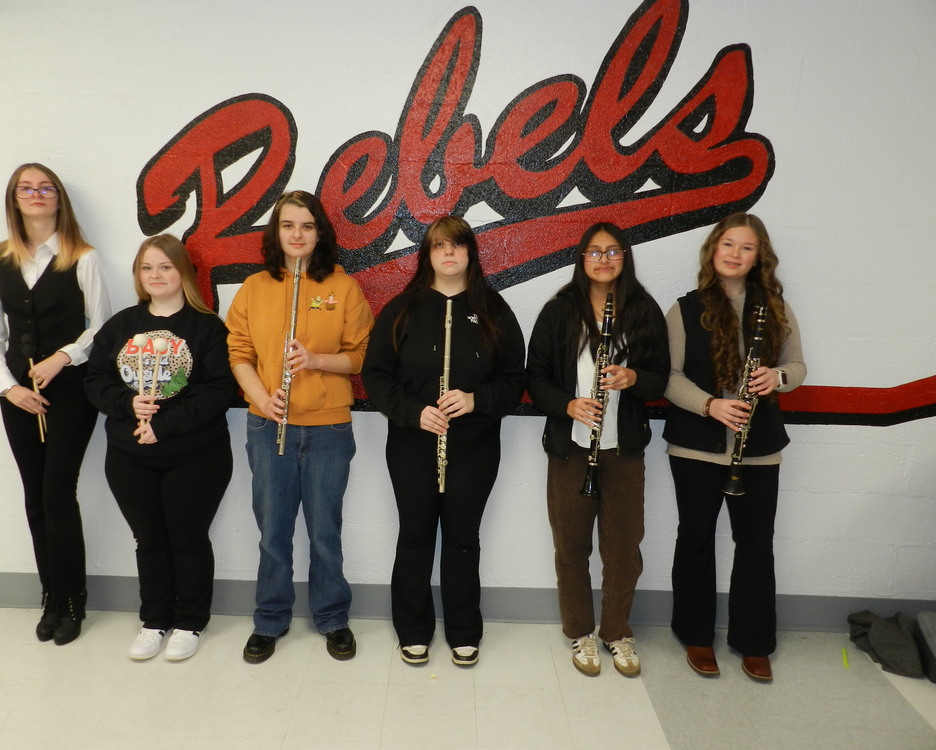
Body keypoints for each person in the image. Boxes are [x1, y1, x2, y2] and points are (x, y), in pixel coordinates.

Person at [362, 216, 526, 667]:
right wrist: (414, 412)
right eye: (439, 246)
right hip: (412, 445)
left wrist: (476, 400)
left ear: (470, 252)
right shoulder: (402, 309)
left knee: (463, 538)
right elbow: (376, 375)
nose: (448, 253)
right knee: (415, 535)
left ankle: (464, 631)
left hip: (475, 447)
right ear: (427, 256)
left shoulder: (493, 309)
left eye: (456, 245)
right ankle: (413, 630)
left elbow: (515, 380)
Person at [226, 190, 373, 663]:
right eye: (288, 225)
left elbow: (360, 356)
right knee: (273, 531)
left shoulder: (343, 287)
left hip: (328, 430)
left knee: (325, 530)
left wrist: (315, 360)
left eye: (307, 226)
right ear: (276, 232)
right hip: (268, 426)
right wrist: (262, 399)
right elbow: (239, 353)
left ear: (319, 233)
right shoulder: (254, 287)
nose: (297, 234)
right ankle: (270, 619)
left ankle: (332, 617)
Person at [663, 212, 805, 682]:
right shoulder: (684, 309)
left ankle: (754, 641)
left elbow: (797, 366)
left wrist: (777, 377)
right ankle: (695, 635)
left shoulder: (776, 309)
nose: (735, 254)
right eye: (728, 244)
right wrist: (711, 406)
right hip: (696, 448)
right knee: (696, 538)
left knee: (756, 544)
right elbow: (669, 377)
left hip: (759, 448)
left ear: (759, 256)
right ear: (713, 249)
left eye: (747, 247)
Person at [0, 163, 111, 645]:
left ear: (58, 199)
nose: (36, 194)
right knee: (34, 495)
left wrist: (63, 357)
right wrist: (8, 387)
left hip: (71, 391)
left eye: (46, 187)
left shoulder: (83, 257)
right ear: (14, 199)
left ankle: (73, 600)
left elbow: (101, 327)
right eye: (26, 188)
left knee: (57, 493)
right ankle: (50, 595)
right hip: (17, 393)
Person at [527, 222, 669, 677]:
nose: (603, 259)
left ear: (625, 256)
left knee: (624, 549)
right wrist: (568, 404)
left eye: (612, 251)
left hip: (623, 450)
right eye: (594, 251)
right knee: (571, 546)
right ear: (581, 258)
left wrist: (633, 378)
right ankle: (580, 631)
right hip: (571, 448)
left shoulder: (644, 309)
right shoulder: (559, 310)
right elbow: (535, 378)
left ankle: (616, 630)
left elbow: (660, 379)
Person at [84, 234, 236, 661]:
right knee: (149, 541)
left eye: (165, 267)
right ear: (138, 275)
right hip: (130, 456)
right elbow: (95, 381)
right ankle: (154, 621)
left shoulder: (207, 327)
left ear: (183, 272)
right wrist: (127, 404)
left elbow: (219, 390)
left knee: (188, 539)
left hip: (196, 454)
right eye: (147, 268)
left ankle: (190, 622)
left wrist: (164, 426)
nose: (156, 275)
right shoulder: (120, 326)